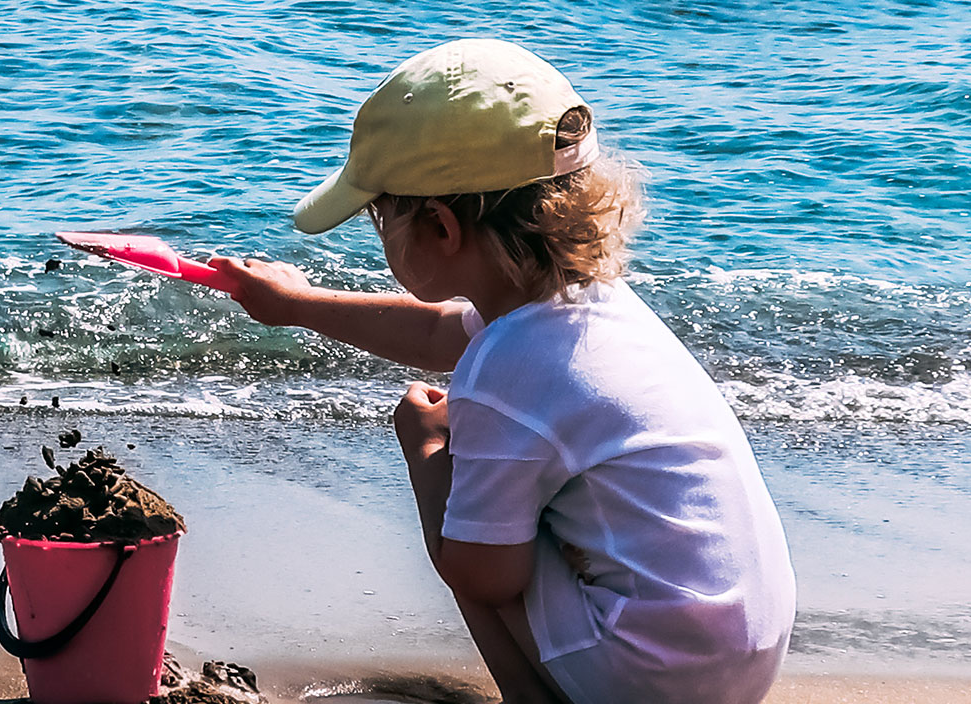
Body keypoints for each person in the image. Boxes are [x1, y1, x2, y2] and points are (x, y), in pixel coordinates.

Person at [205, 39, 796, 703]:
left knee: (472, 532)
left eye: (380, 217)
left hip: (652, 679)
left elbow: (481, 574)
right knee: (517, 500)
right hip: (735, 654)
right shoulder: (584, 302)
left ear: (439, 225)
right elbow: (436, 330)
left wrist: (427, 450)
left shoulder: (507, 371)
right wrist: (298, 305)